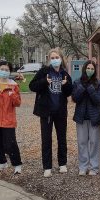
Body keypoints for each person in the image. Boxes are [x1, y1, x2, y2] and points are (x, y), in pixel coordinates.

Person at [29, 48, 72, 178]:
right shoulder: (44, 72)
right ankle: (47, 166)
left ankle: (62, 163)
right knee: (46, 140)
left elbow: (70, 91)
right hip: (46, 112)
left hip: (60, 112)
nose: (55, 60)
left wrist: (66, 85)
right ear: (49, 60)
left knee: (62, 138)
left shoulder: (64, 74)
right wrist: (44, 81)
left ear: (61, 58)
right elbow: (32, 86)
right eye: (52, 58)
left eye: (57, 57)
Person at [0, 61, 23, 174]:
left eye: (6, 70)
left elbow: (18, 103)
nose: (4, 71)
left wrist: (14, 95)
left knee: (10, 143)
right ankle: (2, 162)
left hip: (8, 120)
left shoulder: (14, 86)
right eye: (2, 69)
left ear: (9, 72)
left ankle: (17, 164)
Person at [72, 60, 100, 176]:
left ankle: (94, 167)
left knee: (94, 142)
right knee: (82, 142)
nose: (90, 70)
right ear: (84, 69)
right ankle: (83, 166)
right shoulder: (77, 82)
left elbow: (98, 100)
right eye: (88, 68)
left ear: (95, 70)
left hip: (94, 117)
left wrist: (90, 88)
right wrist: (82, 87)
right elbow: (75, 98)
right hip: (81, 117)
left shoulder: (99, 83)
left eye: (92, 69)